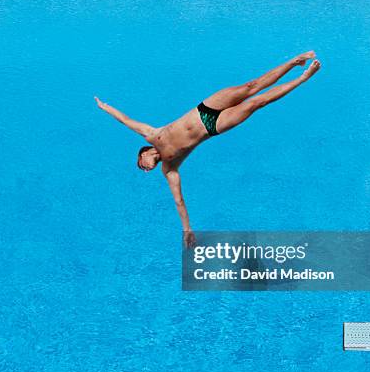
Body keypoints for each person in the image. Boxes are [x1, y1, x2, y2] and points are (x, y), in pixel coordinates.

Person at [95, 52, 321, 246]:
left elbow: (124, 120)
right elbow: (179, 201)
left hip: (206, 107)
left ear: (143, 153)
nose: (144, 169)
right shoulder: (170, 168)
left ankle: (294, 62)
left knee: (250, 86)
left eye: (140, 165)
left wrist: (104, 107)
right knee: (256, 103)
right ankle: (303, 78)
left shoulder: (152, 134)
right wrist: (187, 229)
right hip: (213, 126)